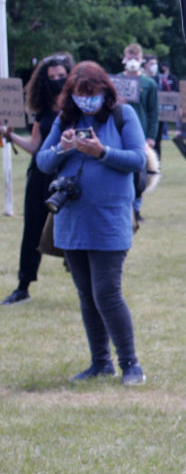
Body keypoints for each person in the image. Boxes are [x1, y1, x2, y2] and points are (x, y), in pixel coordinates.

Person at [35, 61, 148, 383]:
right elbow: (43, 161)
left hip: (109, 220)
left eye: (92, 93)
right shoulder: (65, 118)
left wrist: (102, 152)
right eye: (80, 94)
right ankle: (100, 363)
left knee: (107, 294)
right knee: (87, 295)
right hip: (72, 221)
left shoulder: (123, 115)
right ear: (71, 94)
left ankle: (130, 364)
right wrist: (63, 148)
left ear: (104, 91)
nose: (87, 100)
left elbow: (137, 159)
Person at [1, 53, 75, 305]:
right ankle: (23, 286)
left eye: (61, 76)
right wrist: (9, 135)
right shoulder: (43, 111)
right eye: (52, 77)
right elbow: (35, 146)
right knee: (32, 229)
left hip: (67, 178)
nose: (57, 80)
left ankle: (86, 285)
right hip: (40, 176)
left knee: (73, 231)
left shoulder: (77, 107)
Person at [120, 43, 158, 223]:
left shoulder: (149, 83)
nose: (133, 61)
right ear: (124, 59)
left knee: (140, 174)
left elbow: (153, 112)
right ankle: (124, 206)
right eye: (130, 57)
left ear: (141, 59)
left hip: (140, 133)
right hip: (119, 132)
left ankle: (136, 208)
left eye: (136, 57)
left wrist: (151, 136)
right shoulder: (116, 81)